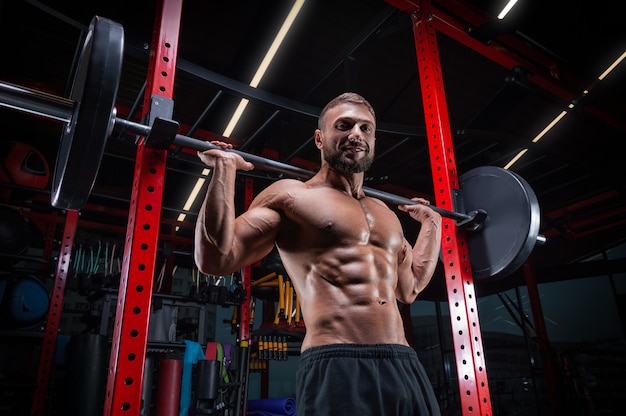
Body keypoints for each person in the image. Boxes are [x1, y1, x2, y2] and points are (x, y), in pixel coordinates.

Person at [195, 92, 442, 415]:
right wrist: (224, 172)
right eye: (344, 125)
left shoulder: (386, 213)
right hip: (337, 361)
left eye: (365, 128)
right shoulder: (291, 196)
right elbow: (216, 258)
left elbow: (409, 288)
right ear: (319, 138)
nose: (356, 134)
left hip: (403, 361)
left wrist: (432, 224)